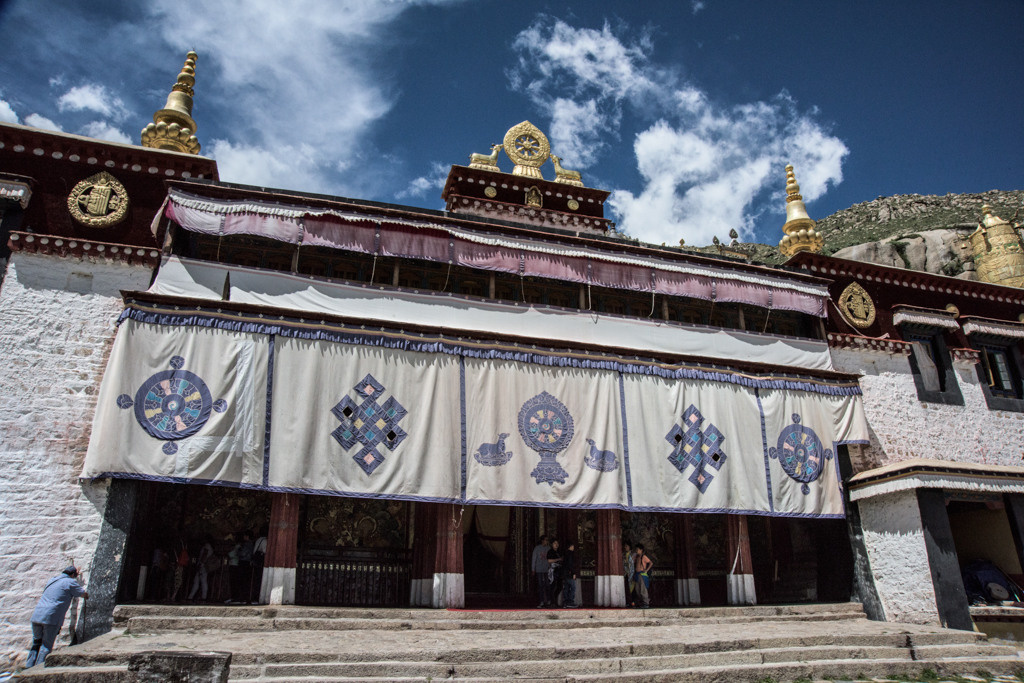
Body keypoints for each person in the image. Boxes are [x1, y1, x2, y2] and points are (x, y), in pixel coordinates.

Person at [25, 566, 88, 668]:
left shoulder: (52, 580)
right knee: (46, 646)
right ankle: (39, 669)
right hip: (51, 617)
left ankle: (28, 666)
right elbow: (81, 593)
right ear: (72, 575)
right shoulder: (70, 582)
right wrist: (86, 595)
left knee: (36, 643)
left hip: (37, 615)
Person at [188, 537, 214, 602]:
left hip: (203, 566)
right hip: (203, 565)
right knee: (198, 581)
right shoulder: (208, 546)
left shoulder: (207, 546)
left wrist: (201, 564)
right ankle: (192, 596)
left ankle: (202, 597)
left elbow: (204, 555)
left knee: (202, 581)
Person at [530, 536, 550, 607]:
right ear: (542, 540)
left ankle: (548, 600)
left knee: (547, 585)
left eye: (547, 540)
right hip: (539, 569)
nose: (546, 541)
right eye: (545, 540)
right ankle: (541, 601)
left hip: (546, 569)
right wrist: (533, 569)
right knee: (540, 585)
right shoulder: (537, 548)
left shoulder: (548, 548)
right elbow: (534, 559)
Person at [634, 543, 653, 609]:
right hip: (637, 574)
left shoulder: (643, 557)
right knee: (637, 590)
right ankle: (641, 602)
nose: (636, 551)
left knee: (643, 589)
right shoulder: (637, 557)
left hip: (642, 574)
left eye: (637, 549)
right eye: (636, 549)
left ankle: (646, 603)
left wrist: (646, 570)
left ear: (641, 550)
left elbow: (651, 563)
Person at [547, 538, 564, 606]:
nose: (556, 545)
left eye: (557, 543)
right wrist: (558, 559)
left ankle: (555, 598)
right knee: (553, 586)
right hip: (553, 570)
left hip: (560, 569)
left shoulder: (559, 551)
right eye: (555, 543)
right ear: (552, 544)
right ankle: (552, 601)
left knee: (560, 586)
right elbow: (549, 561)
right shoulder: (550, 551)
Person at [562, 542, 579, 608]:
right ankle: (570, 601)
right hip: (569, 573)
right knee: (573, 587)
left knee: (566, 587)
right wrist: (573, 573)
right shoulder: (571, 554)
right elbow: (570, 564)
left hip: (564, 573)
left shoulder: (565, 554)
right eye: (573, 546)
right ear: (570, 546)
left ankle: (565, 602)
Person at [623, 542, 635, 607]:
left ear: (629, 547)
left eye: (626, 546)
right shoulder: (623, 555)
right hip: (625, 574)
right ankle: (627, 602)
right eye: (625, 546)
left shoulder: (633, 555)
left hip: (632, 573)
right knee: (626, 589)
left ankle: (633, 602)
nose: (625, 547)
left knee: (633, 588)